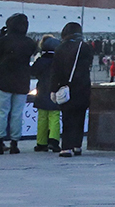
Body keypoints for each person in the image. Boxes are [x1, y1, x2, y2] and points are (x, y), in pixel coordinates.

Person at [0, 13, 36, 154]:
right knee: (17, 113)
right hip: (21, 81)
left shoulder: (4, 40)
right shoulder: (29, 42)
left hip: (4, 80)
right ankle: (14, 143)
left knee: (1, 112)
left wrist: (0, 36)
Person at [51, 22, 93, 157]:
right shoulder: (85, 47)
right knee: (80, 117)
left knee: (67, 118)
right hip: (83, 87)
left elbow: (55, 71)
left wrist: (53, 89)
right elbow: (88, 65)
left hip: (66, 88)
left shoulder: (60, 48)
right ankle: (77, 145)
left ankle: (66, 147)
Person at [31, 35, 62, 152]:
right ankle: (54, 141)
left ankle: (41, 142)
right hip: (55, 91)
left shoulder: (41, 61)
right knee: (54, 117)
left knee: (42, 118)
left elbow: (33, 71)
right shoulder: (59, 61)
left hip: (42, 91)